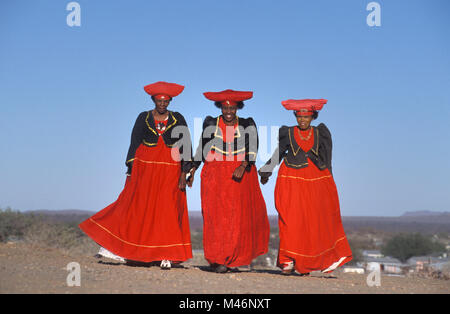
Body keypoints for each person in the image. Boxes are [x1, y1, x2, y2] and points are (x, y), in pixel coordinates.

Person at [79, 81, 193, 270]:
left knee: (167, 210)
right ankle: (117, 248)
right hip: (144, 169)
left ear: (170, 101)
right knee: (136, 206)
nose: (162, 104)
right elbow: (134, 142)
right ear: (153, 100)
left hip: (170, 170)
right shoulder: (143, 117)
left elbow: (186, 145)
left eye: (166, 101)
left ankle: (167, 255)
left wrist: (185, 172)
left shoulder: (178, 118)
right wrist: (131, 168)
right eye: (159, 100)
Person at [258, 98, 352, 275]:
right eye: (299, 117)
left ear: (312, 117)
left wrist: (329, 181)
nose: (302, 120)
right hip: (291, 179)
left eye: (306, 117)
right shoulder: (287, 132)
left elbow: (327, 158)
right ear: (295, 116)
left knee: (314, 222)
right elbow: (279, 153)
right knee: (290, 219)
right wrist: (266, 171)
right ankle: (288, 261)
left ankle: (308, 262)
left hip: (316, 180)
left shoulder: (321, 133)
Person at [188, 89, 270, 273]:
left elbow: (253, 147)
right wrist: (192, 169)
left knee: (236, 218)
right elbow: (202, 147)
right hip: (215, 174)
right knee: (214, 216)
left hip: (238, 174)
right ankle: (218, 259)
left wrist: (244, 165)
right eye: (225, 108)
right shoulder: (211, 123)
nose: (229, 112)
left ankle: (231, 258)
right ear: (220, 107)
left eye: (232, 108)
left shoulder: (248, 124)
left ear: (237, 108)